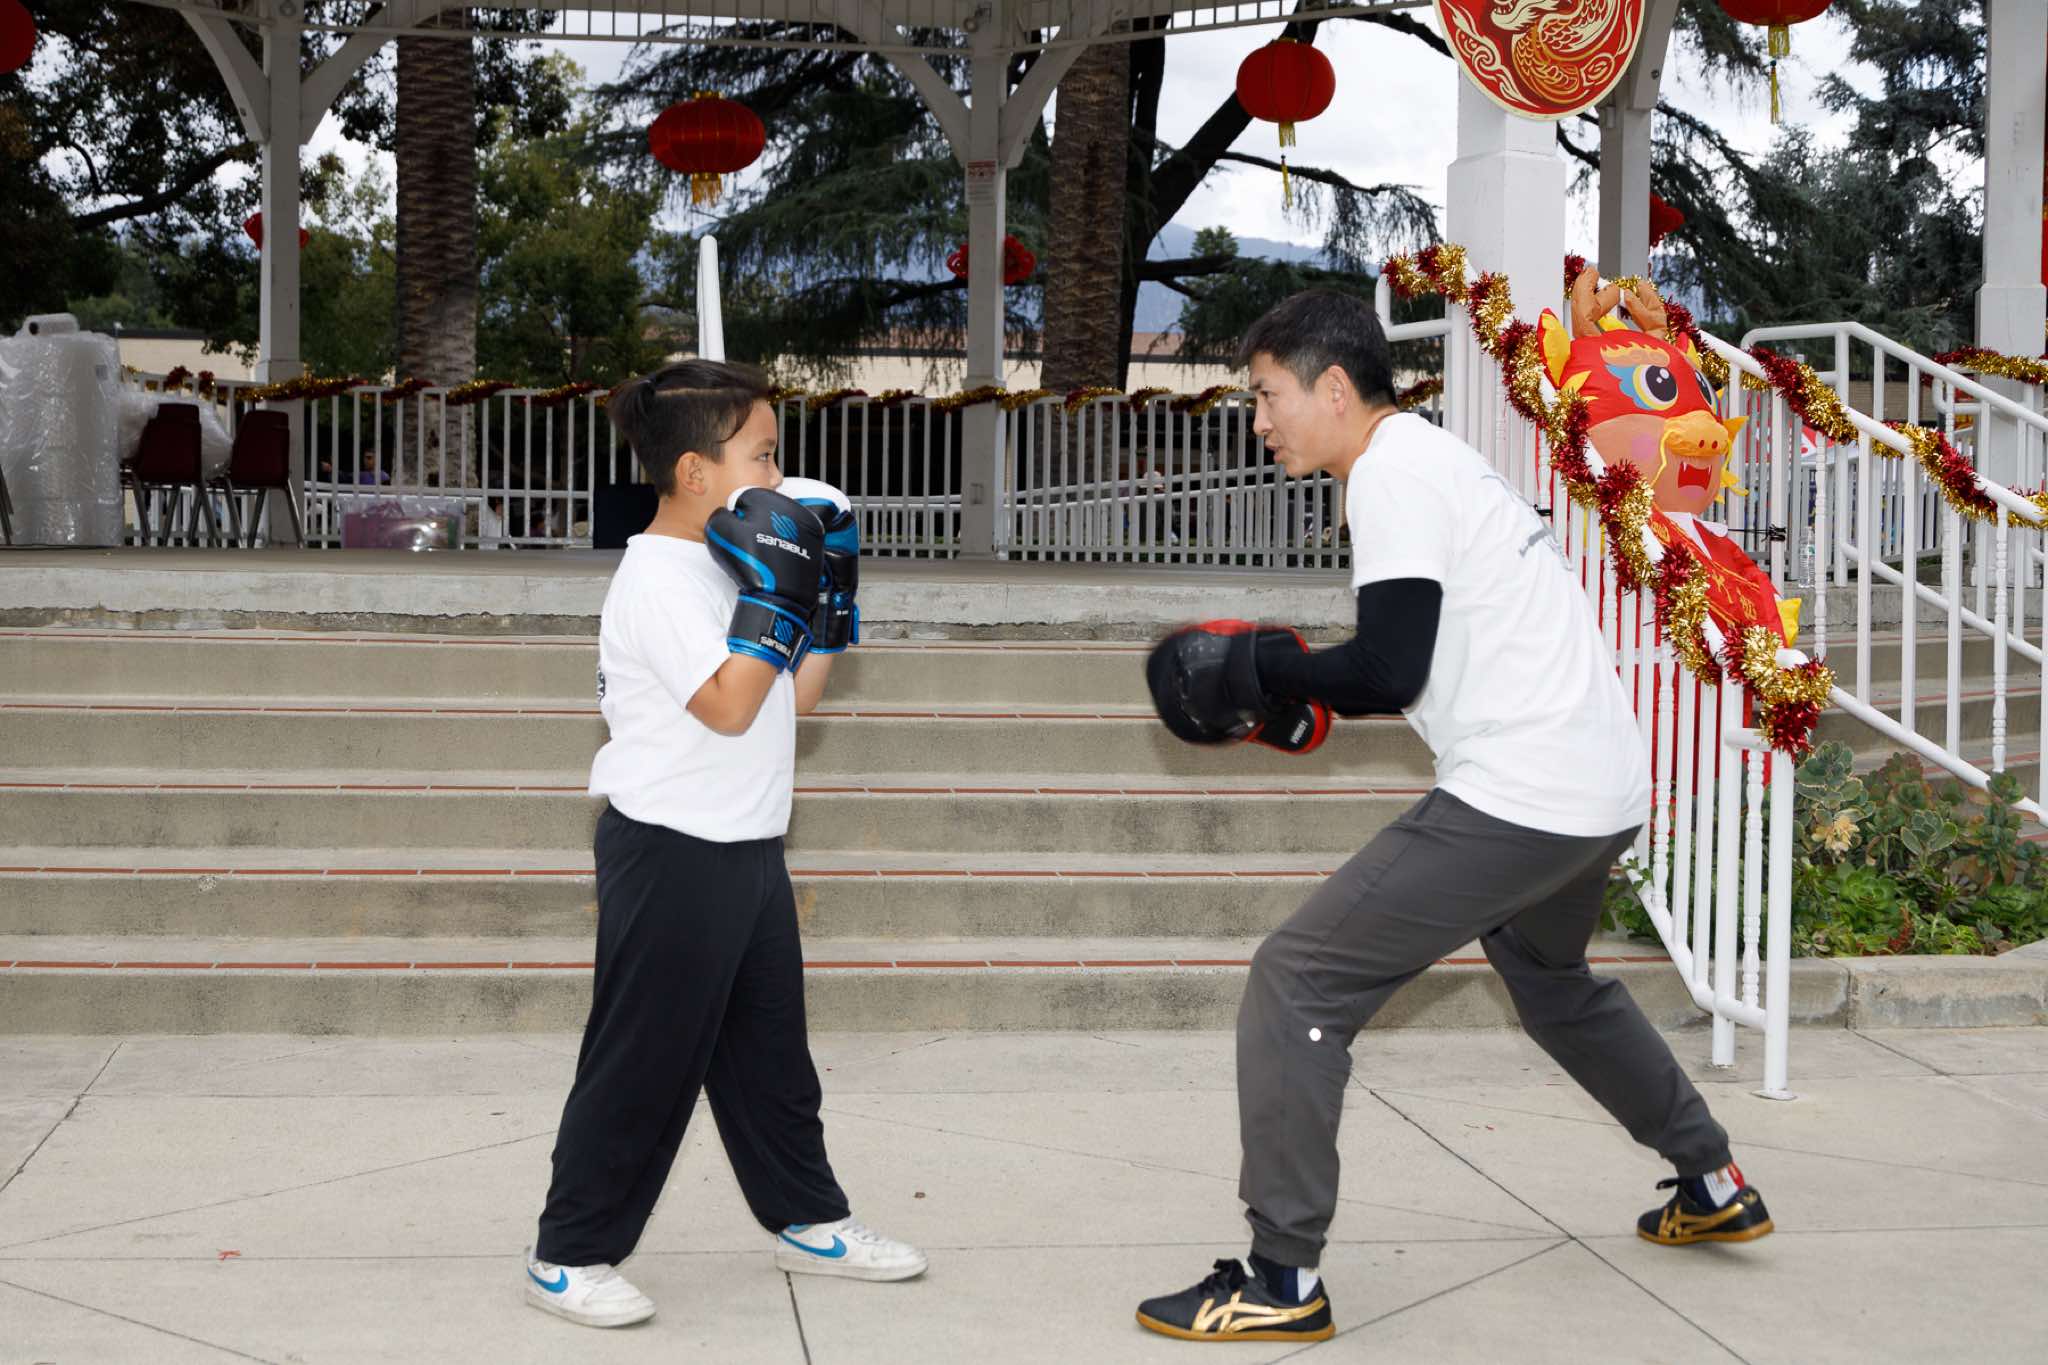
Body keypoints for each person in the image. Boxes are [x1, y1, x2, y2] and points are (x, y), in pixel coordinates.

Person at [1135, 291, 1771, 1345]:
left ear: (1333, 389)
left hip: (1527, 791)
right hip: (1598, 786)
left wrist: (1262, 669)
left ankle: (1280, 1278)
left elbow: (1391, 669)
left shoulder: (1390, 473)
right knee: (1551, 982)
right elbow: (1410, 662)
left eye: (1268, 395)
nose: (1259, 420)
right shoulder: (1434, 459)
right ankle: (1711, 1182)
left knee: (1296, 978)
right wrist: (1293, 682)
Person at [525, 358, 919, 1330]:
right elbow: (730, 706)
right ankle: (567, 1253)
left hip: (747, 843)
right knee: (643, 1063)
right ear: (695, 471)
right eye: (764, 456)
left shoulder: (727, 565)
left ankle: (806, 1218)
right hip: (670, 850)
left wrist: (828, 605)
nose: (780, 478)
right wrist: (782, 595)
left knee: (770, 1056)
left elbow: (794, 698)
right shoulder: (657, 581)